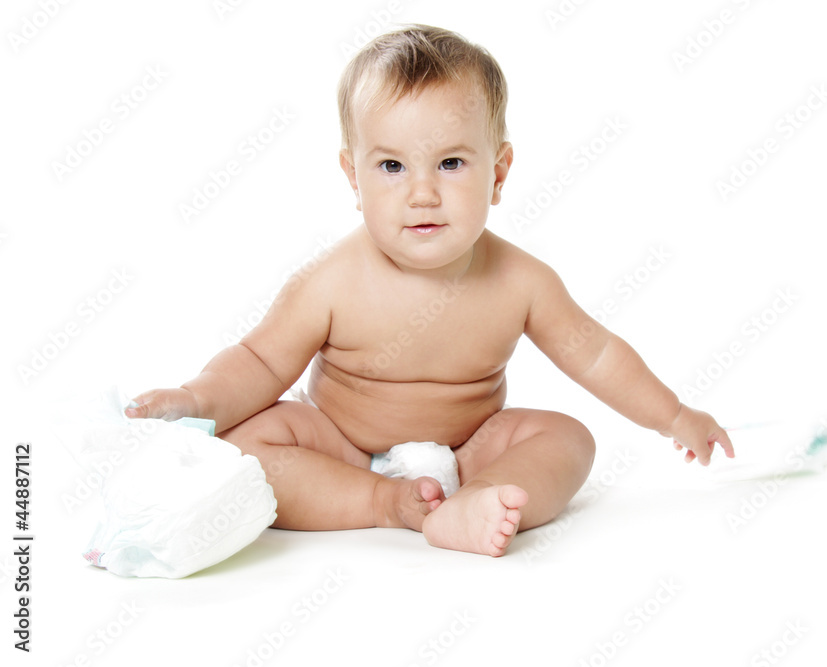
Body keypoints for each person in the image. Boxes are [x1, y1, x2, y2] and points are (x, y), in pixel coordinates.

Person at [126, 24, 734, 557]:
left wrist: (674, 415)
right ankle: (382, 503)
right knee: (248, 448)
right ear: (353, 176)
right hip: (339, 449)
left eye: (450, 164)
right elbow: (260, 362)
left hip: (468, 450)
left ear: (497, 173)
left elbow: (596, 354)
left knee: (567, 439)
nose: (422, 193)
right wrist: (196, 400)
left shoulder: (521, 281)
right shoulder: (331, 281)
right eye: (392, 166)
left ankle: (475, 503)